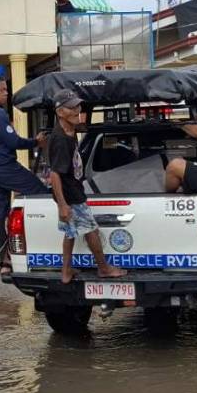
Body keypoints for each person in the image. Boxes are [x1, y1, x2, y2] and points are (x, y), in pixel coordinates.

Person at [46, 90, 127, 285]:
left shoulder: (70, 131)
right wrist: (62, 205)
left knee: (70, 232)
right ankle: (104, 268)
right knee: (92, 230)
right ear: (60, 112)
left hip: (71, 191)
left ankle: (66, 271)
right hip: (71, 195)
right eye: (72, 107)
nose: (77, 110)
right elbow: (55, 174)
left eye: (78, 106)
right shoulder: (60, 139)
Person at [0, 74, 49, 273]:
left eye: (7, 90)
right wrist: (36, 141)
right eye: (2, 90)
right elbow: (13, 142)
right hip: (2, 167)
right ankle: (44, 247)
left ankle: (5, 263)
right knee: (41, 193)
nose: (6, 93)